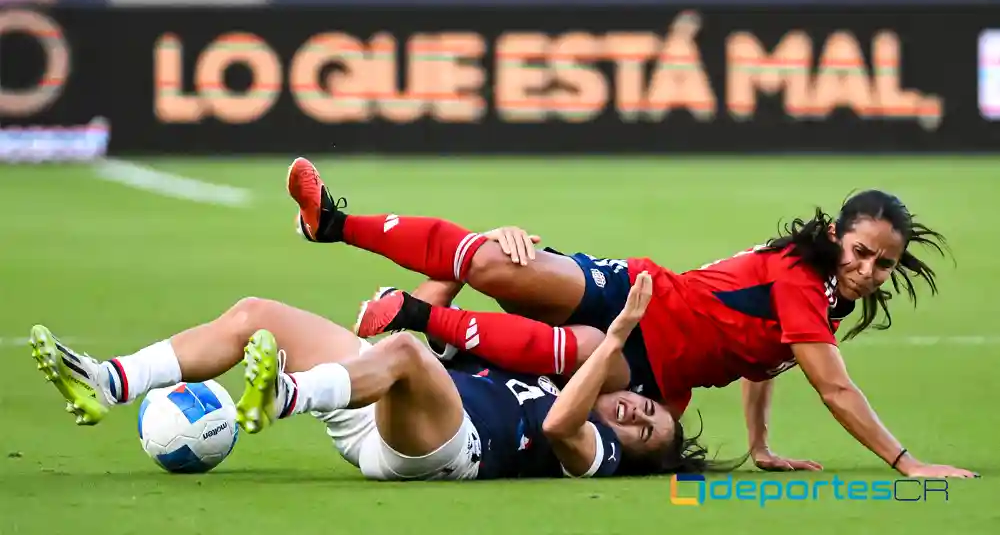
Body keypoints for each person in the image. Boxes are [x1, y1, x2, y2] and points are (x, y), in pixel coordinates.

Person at [286, 157, 978, 479]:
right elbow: (833, 385)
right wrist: (906, 462)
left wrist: (760, 443)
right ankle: (334, 224)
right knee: (496, 264)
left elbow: (769, 357)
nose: (868, 270)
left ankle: (413, 319)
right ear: (835, 235)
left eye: (883, 264)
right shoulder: (803, 278)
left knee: (577, 352)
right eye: (861, 252)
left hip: (648, 369)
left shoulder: (815, 295)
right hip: (637, 295)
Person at [27, 275, 716, 480]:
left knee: (406, 356)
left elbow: (566, 421)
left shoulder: (592, 451)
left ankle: (285, 396)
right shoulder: (546, 371)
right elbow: (421, 330)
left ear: (634, 450)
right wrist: (455, 269)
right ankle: (108, 380)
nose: (636, 414)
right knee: (256, 312)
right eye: (646, 409)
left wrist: (622, 330)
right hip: (377, 397)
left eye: (647, 431)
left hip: (442, 448)